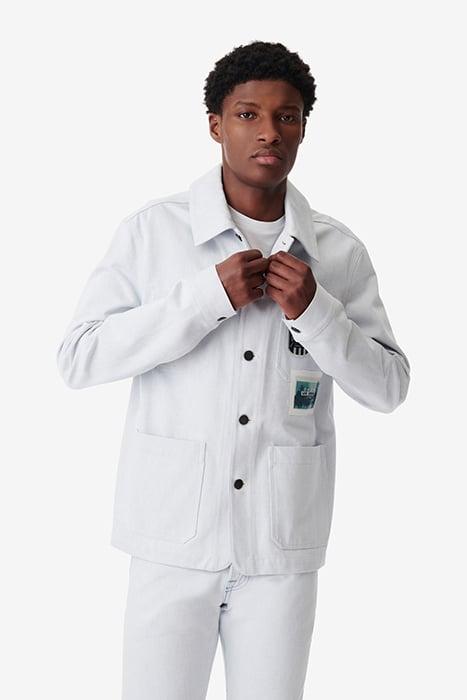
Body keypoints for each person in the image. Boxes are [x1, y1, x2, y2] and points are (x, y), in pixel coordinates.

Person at [56, 40, 410, 700]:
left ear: (303, 128)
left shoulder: (337, 253)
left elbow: (388, 387)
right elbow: (79, 357)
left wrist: (317, 314)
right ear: (216, 126)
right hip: (170, 542)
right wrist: (202, 300)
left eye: (286, 116)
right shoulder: (153, 233)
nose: (268, 131)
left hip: (280, 548)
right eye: (248, 114)